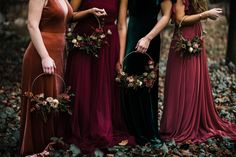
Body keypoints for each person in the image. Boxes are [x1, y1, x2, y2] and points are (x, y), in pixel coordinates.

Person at [160, 0, 236, 143]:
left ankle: (195, 119)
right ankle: (180, 124)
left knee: (193, 81)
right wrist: (205, 14)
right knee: (184, 82)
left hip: (194, 35)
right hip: (184, 40)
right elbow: (179, 19)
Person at [65, 0, 135, 154]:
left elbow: (122, 25)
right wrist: (88, 12)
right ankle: (80, 127)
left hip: (108, 43)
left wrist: (120, 58)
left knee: (101, 89)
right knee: (82, 87)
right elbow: (68, 16)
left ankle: (99, 126)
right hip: (83, 40)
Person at [20, 0, 72, 155]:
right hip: (42, 54)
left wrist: (89, 12)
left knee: (53, 99)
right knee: (42, 101)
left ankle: (50, 145)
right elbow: (32, 24)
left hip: (58, 54)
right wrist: (44, 56)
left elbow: (65, 18)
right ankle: (36, 147)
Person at [119, 0, 172, 145]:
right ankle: (132, 129)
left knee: (148, 83)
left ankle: (149, 130)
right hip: (132, 34)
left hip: (152, 38)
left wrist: (148, 38)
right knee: (130, 82)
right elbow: (122, 23)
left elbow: (166, 15)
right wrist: (121, 54)